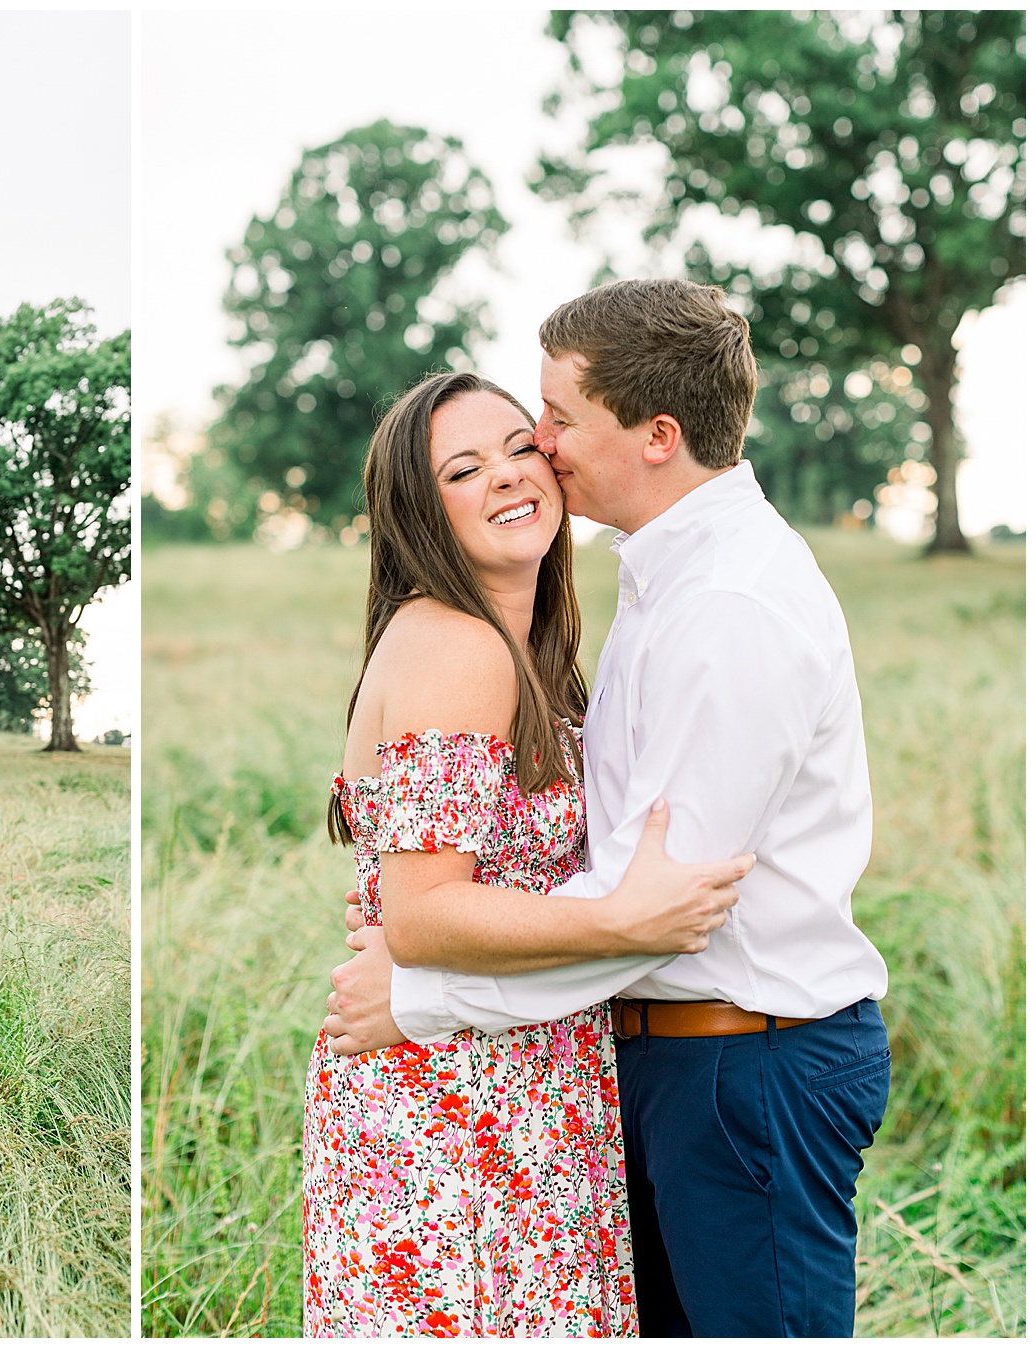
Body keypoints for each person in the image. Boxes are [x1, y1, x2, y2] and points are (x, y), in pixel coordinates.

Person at [323, 279, 891, 1338]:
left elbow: (662, 907)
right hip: (590, 1080)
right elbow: (620, 908)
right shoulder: (638, 588)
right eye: (473, 460)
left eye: (553, 420)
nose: (538, 447)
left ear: (658, 435)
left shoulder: (722, 605)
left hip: (740, 1066)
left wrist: (423, 998)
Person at [306, 369, 755, 1337]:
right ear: (421, 511)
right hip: (459, 1099)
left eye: (520, 445)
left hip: (526, 1070)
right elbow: (423, 915)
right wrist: (624, 921)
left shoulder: (528, 644)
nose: (509, 476)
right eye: (464, 469)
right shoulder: (456, 646)